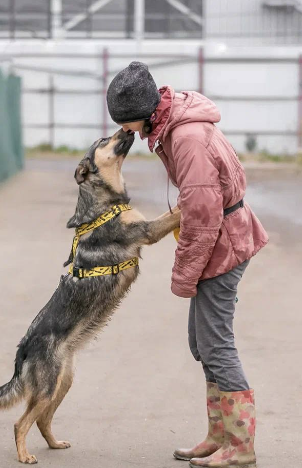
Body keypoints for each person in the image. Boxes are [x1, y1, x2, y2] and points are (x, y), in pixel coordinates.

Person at [106, 62, 268, 468]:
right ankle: (219, 435)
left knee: (217, 345)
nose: (124, 130)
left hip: (223, 243)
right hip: (222, 237)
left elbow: (202, 214)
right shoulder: (172, 127)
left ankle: (240, 446)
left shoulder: (187, 139)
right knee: (202, 344)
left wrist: (183, 275)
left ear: (143, 110)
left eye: (125, 121)